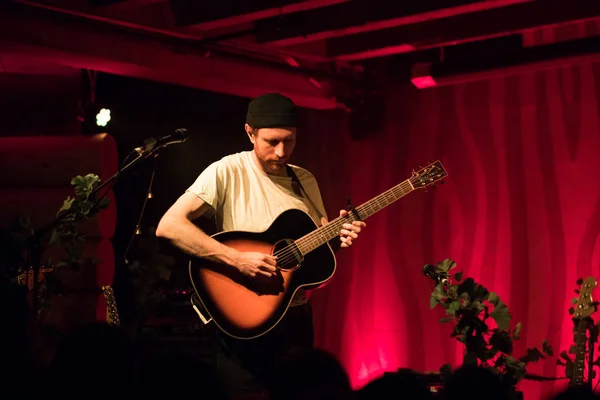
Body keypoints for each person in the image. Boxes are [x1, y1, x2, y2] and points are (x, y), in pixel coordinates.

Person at [155, 92, 366, 399]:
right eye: (271, 142)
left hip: (294, 319)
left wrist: (338, 238)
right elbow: (169, 226)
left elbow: (317, 246)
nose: (282, 152)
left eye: (289, 141)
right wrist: (236, 260)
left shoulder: (304, 180)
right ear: (249, 132)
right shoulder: (226, 171)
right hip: (244, 316)